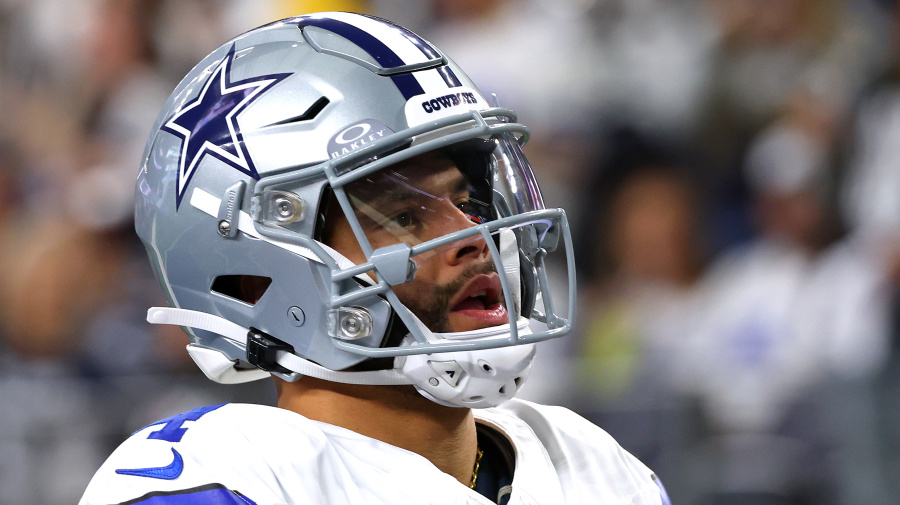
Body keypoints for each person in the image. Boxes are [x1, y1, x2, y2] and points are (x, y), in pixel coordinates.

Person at [79, 12, 670, 505]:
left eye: (469, 202)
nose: (474, 235)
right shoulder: (227, 482)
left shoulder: (596, 471)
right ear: (254, 276)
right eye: (405, 217)